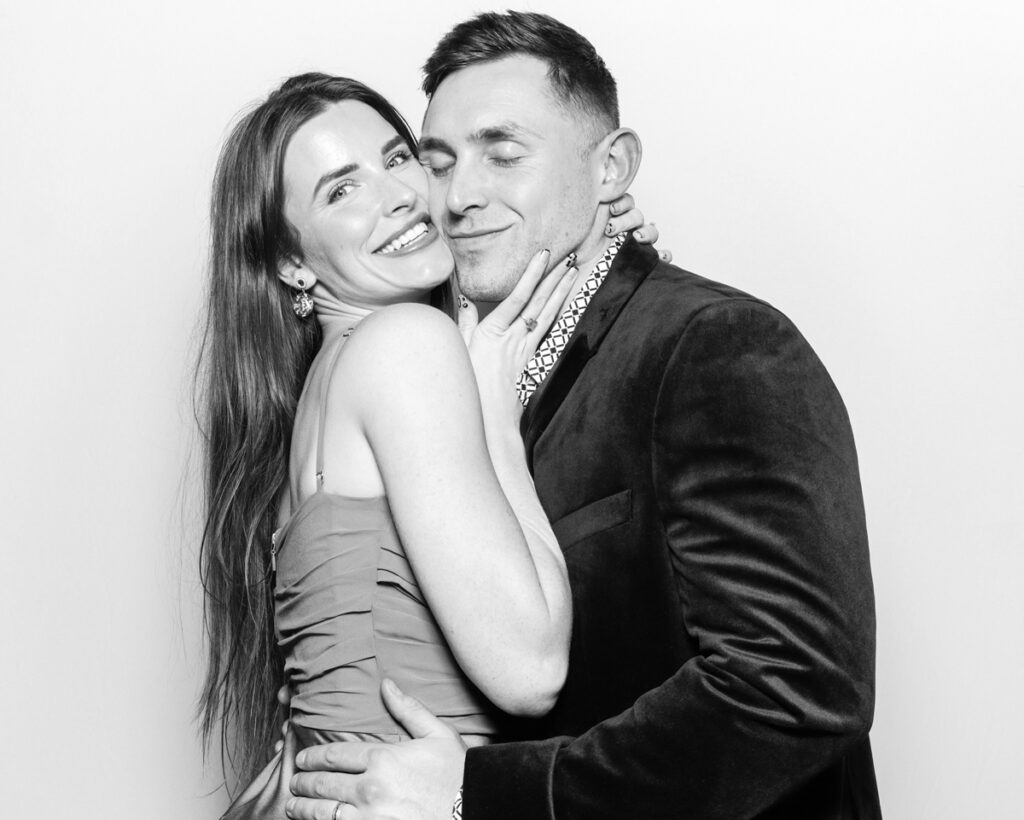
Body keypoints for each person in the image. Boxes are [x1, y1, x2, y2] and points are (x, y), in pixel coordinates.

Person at [287, 11, 881, 820]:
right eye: (438, 162)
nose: (458, 196)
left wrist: (477, 793)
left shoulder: (716, 347)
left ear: (613, 170)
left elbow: (794, 689)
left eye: (503, 153)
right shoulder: (452, 365)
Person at [195, 72, 660, 818]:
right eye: (341, 191)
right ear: (290, 261)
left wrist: (588, 240)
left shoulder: (328, 381)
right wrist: (497, 423)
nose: (399, 196)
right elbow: (531, 669)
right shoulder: (409, 345)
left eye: (399, 158)